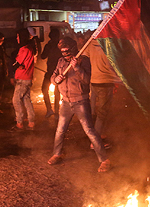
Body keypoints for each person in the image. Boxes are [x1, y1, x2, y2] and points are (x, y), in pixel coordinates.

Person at [47, 37, 111, 173]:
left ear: (73, 48)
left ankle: (104, 160)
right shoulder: (60, 61)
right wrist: (55, 80)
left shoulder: (84, 60)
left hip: (80, 101)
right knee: (60, 130)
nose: (64, 53)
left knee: (89, 131)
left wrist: (76, 67)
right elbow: (53, 76)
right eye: (62, 51)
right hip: (65, 102)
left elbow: (87, 80)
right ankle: (57, 153)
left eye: (66, 50)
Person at [85, 38, 121, 145]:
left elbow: (84, 55)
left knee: (93, 110)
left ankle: (98, 133)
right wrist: (119, 79)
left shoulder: (91, 44)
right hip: (105, 82)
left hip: (93, 81)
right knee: (102, 113)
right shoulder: (107, 46)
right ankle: (95, 142)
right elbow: (110, 66)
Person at [9, 28, 36, 131]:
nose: (17, 38)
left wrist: (14, 64)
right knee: (26, 100)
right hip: (28, 77)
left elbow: (16, 63)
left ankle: (19, 122)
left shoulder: (24, 49)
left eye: (18, 36)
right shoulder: (30, 48)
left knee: (16, 100)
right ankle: (31, 122)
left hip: (22, 79)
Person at [40, 28, 62, 118]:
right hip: (59, 72)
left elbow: (43, 56)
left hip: (50, 72)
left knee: (44, 89)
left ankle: (49, 110)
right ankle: (56, 112)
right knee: (57, 92)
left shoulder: (48, 45)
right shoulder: (61, 45)